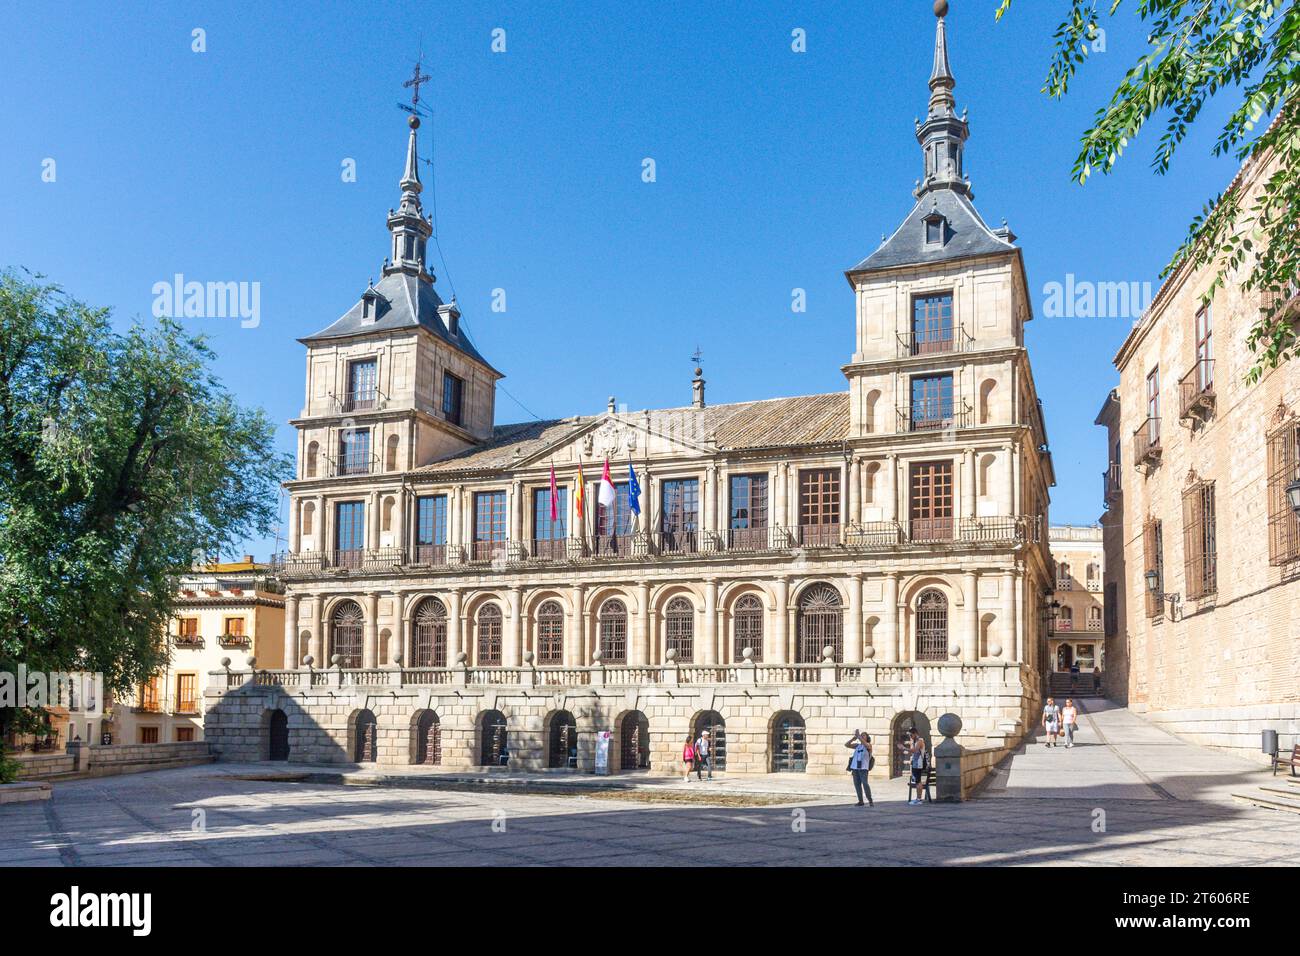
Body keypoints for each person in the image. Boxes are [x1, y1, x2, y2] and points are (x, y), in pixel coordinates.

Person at [844, 730, 874, 806]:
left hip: (863, 768)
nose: (862, 736)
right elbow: (846, 745)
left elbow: (865, 744)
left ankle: (870, 800)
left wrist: (859, 736)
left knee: (865, 784)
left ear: (867, 738)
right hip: (855, 768)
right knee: (857, 785)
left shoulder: (868, 745)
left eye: (864, 735)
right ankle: (860, 801)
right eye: (861, 735)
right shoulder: (857, 746)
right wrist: (853, 738)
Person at [905, 728, 928, 805]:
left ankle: (919, 799)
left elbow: (914, 750)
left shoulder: (920, 741)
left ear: (915, 733)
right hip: (915, 763)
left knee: (918, 781)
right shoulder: (915, 741)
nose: (910, 737)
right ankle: (918, 798)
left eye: (911, 735)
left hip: (919, 763)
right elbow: (913, 751)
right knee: (917, 781)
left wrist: (904, 748)